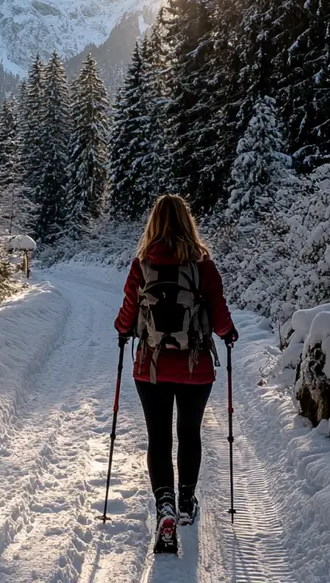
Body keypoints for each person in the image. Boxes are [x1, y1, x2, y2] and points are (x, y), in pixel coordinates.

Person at [114, 194, 237, 552]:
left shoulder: (143, 263)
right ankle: (186, 502)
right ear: (188, 221)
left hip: (150, 369)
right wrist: (229, 333)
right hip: (194, 367)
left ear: (154, 222)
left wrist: (123, 331)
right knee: (189, 433)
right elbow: (219, 312)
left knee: (159, 438)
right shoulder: (202, 264)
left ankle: (164, 505)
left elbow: (128, 312)